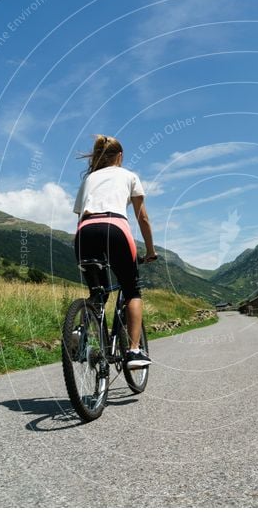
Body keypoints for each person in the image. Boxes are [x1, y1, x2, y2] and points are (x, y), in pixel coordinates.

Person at [73, 134, 157, 368]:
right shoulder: (129, 176)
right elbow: (143, 218)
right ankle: (133, 350)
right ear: (120, 156)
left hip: (84, 233)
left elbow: (80, 216)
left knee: (97, 292)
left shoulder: (88, 180)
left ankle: (83, 329)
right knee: (131, 291)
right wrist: (150, 250)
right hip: (115, 229)